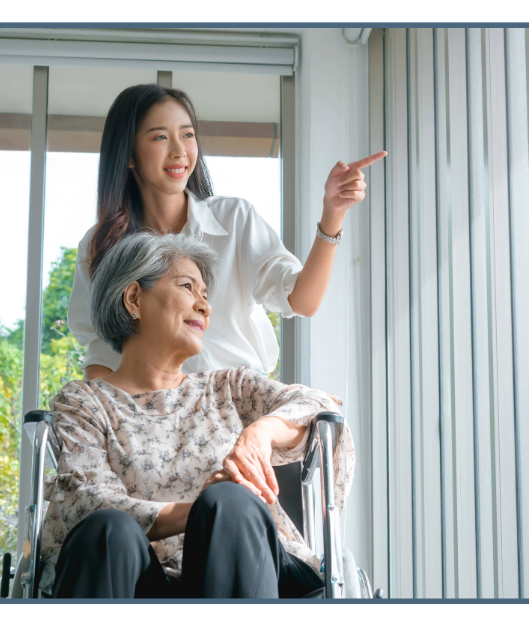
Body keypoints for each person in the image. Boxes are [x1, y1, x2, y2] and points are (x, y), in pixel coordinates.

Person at [40, 232, 355, 598]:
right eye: (188, 287)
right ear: (133, 298)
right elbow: (85, 501)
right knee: (108, 529)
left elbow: (321, 408)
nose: (204, 307)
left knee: (231, 502)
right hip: (140, 581)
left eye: (205, 296)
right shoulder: (84, 402)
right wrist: (199, 513)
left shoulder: (228, 387)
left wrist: (260, 435)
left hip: (259, 569)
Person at [69, 83, 385, 377]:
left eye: (188, 135)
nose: (179, 151)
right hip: (151, 420)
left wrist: (333, 213)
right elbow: (100, 349)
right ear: (128, 155)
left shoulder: (234, 218)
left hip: (238, 408)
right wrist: (105, 421)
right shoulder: (101, 244)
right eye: (160, 137)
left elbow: (302, 301)